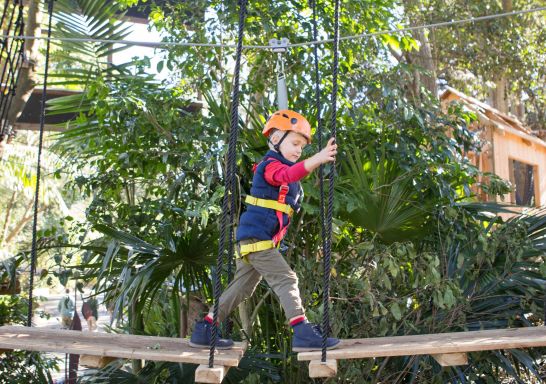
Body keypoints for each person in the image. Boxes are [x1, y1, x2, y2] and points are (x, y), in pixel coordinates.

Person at [190, 110, 340, 352]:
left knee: (243, 287)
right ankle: (301, 330)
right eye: (294, 143)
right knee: (286, 278)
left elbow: (292, 179)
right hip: (257, 237)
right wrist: (319, 158)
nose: (299, 150)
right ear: (276, 139)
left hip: (256, 239)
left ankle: (206, 327)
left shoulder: (285, 169)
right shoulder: (269, 166)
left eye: (302, 146)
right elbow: (287, 174)